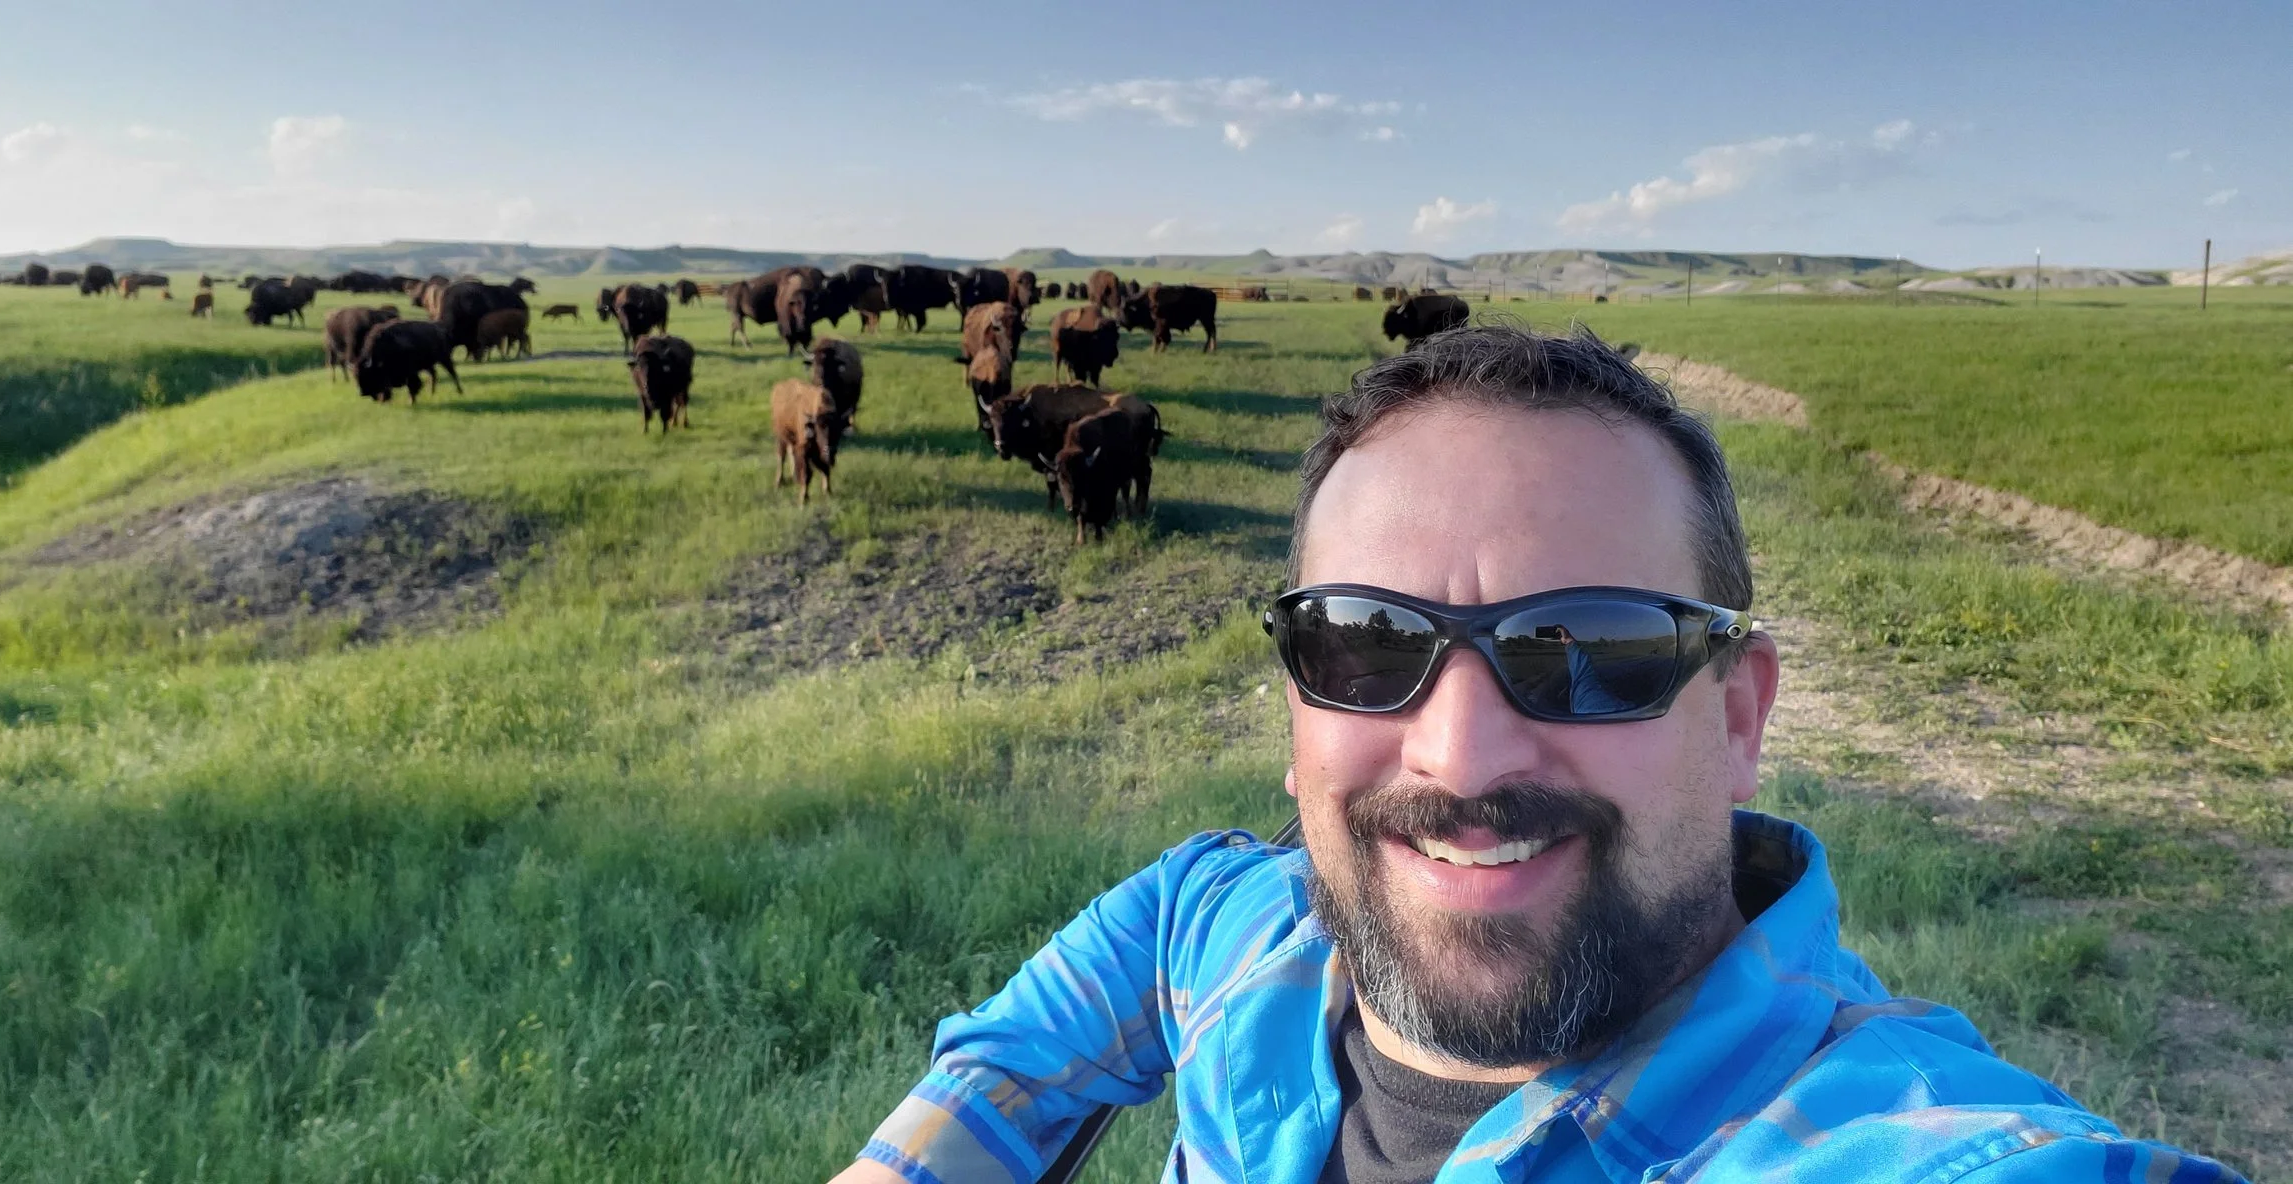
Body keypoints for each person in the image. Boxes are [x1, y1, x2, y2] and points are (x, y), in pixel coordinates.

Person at [828, 323, 2247, 1183]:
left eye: (1590, 650)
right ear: (1293, 709)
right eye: (1365, 643)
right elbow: (1032, 1044)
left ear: (1741, 714)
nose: (1457, 751)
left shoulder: (1888, 1136)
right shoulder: (1231, 930)